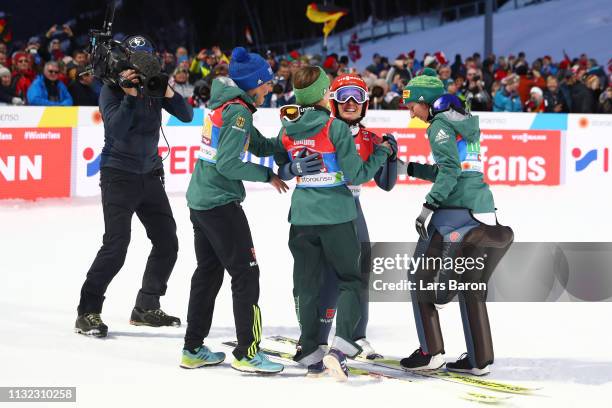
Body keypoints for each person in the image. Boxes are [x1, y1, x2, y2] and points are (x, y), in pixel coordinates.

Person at [274, 66, 394, 381]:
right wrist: (382, 155)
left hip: (313, 213)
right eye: (342, 96)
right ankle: (337, 346)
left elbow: (278, 159)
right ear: (330, 97)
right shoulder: (332, 127)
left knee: (313, 280)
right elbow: (358, 173)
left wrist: (289, 168)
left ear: (366, 102)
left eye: (358, 97)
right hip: (339, 211)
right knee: (346, 279)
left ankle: (325, 343)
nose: (350, 102)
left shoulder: (296, 126)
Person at [75, 36, 193, 338]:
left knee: (167, 242)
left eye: (148, 58)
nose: (144, 65)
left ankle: (146, 307)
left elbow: (186, 114)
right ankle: (87, 311)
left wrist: (167, 89)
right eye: (138, 58)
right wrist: (129, 94)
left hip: (150, 174)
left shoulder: (155, 86)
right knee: (116, 246)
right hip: (119, 175)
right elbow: (115, 127)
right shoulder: (111, 88)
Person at [181, 47, 288, 374]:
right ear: (253, 83)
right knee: (246, 273)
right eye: (267, 84)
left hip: (201, 200)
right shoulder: (238, 112)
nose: (270, 89)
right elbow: (229, 164)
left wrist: (290, 134)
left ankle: (193, 348)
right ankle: (247, 352)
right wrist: (266, 175)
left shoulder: (228, 105)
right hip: (218, 203)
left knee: (208, 274)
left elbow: (260, 145)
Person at [399, 70, 513, 376]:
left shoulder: (438, 123)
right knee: (470, 286)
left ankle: (430, 352)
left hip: (455, 216)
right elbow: (455, 170)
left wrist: (428, 207)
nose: (411, 110)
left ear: (425, 101)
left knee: (419, 278)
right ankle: (479, 359)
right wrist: (409, 167)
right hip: (486, 217)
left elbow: (448, 173)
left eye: (412, 103)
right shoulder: (463, 119)